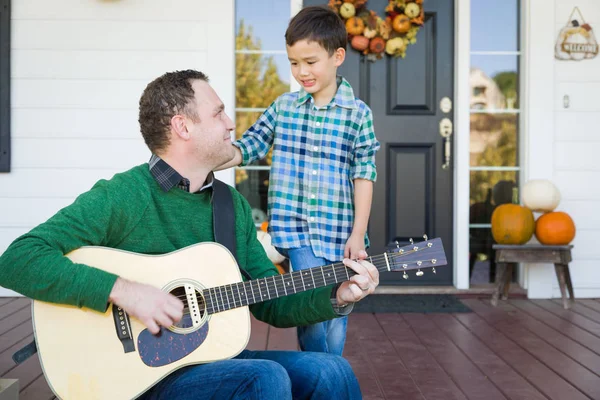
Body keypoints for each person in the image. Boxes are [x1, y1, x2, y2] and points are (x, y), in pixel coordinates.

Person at [0, 69, 380, 399]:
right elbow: (18, 260)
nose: (231, 123)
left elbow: (269, 300)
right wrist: (126, 292)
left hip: (208, 359)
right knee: (264, 378)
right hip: (135, 377)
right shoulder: (125, 195)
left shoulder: (230, 206)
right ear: (183, 126)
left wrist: (338, 294)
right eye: (218, 113)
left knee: (332, 370)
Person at [218, 6, 380, 356]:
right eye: (294, 63)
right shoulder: (284, 107)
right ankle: (321, 374)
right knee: (311, 314)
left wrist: (358, 232)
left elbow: (364, 173)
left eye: (310, 61)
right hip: (299, 233)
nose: (301, 72)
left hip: (341, 234)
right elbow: (250, 145)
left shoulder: (358, 114)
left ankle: (326, 375)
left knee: (337, 320)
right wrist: (213, 156)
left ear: (337, 56)